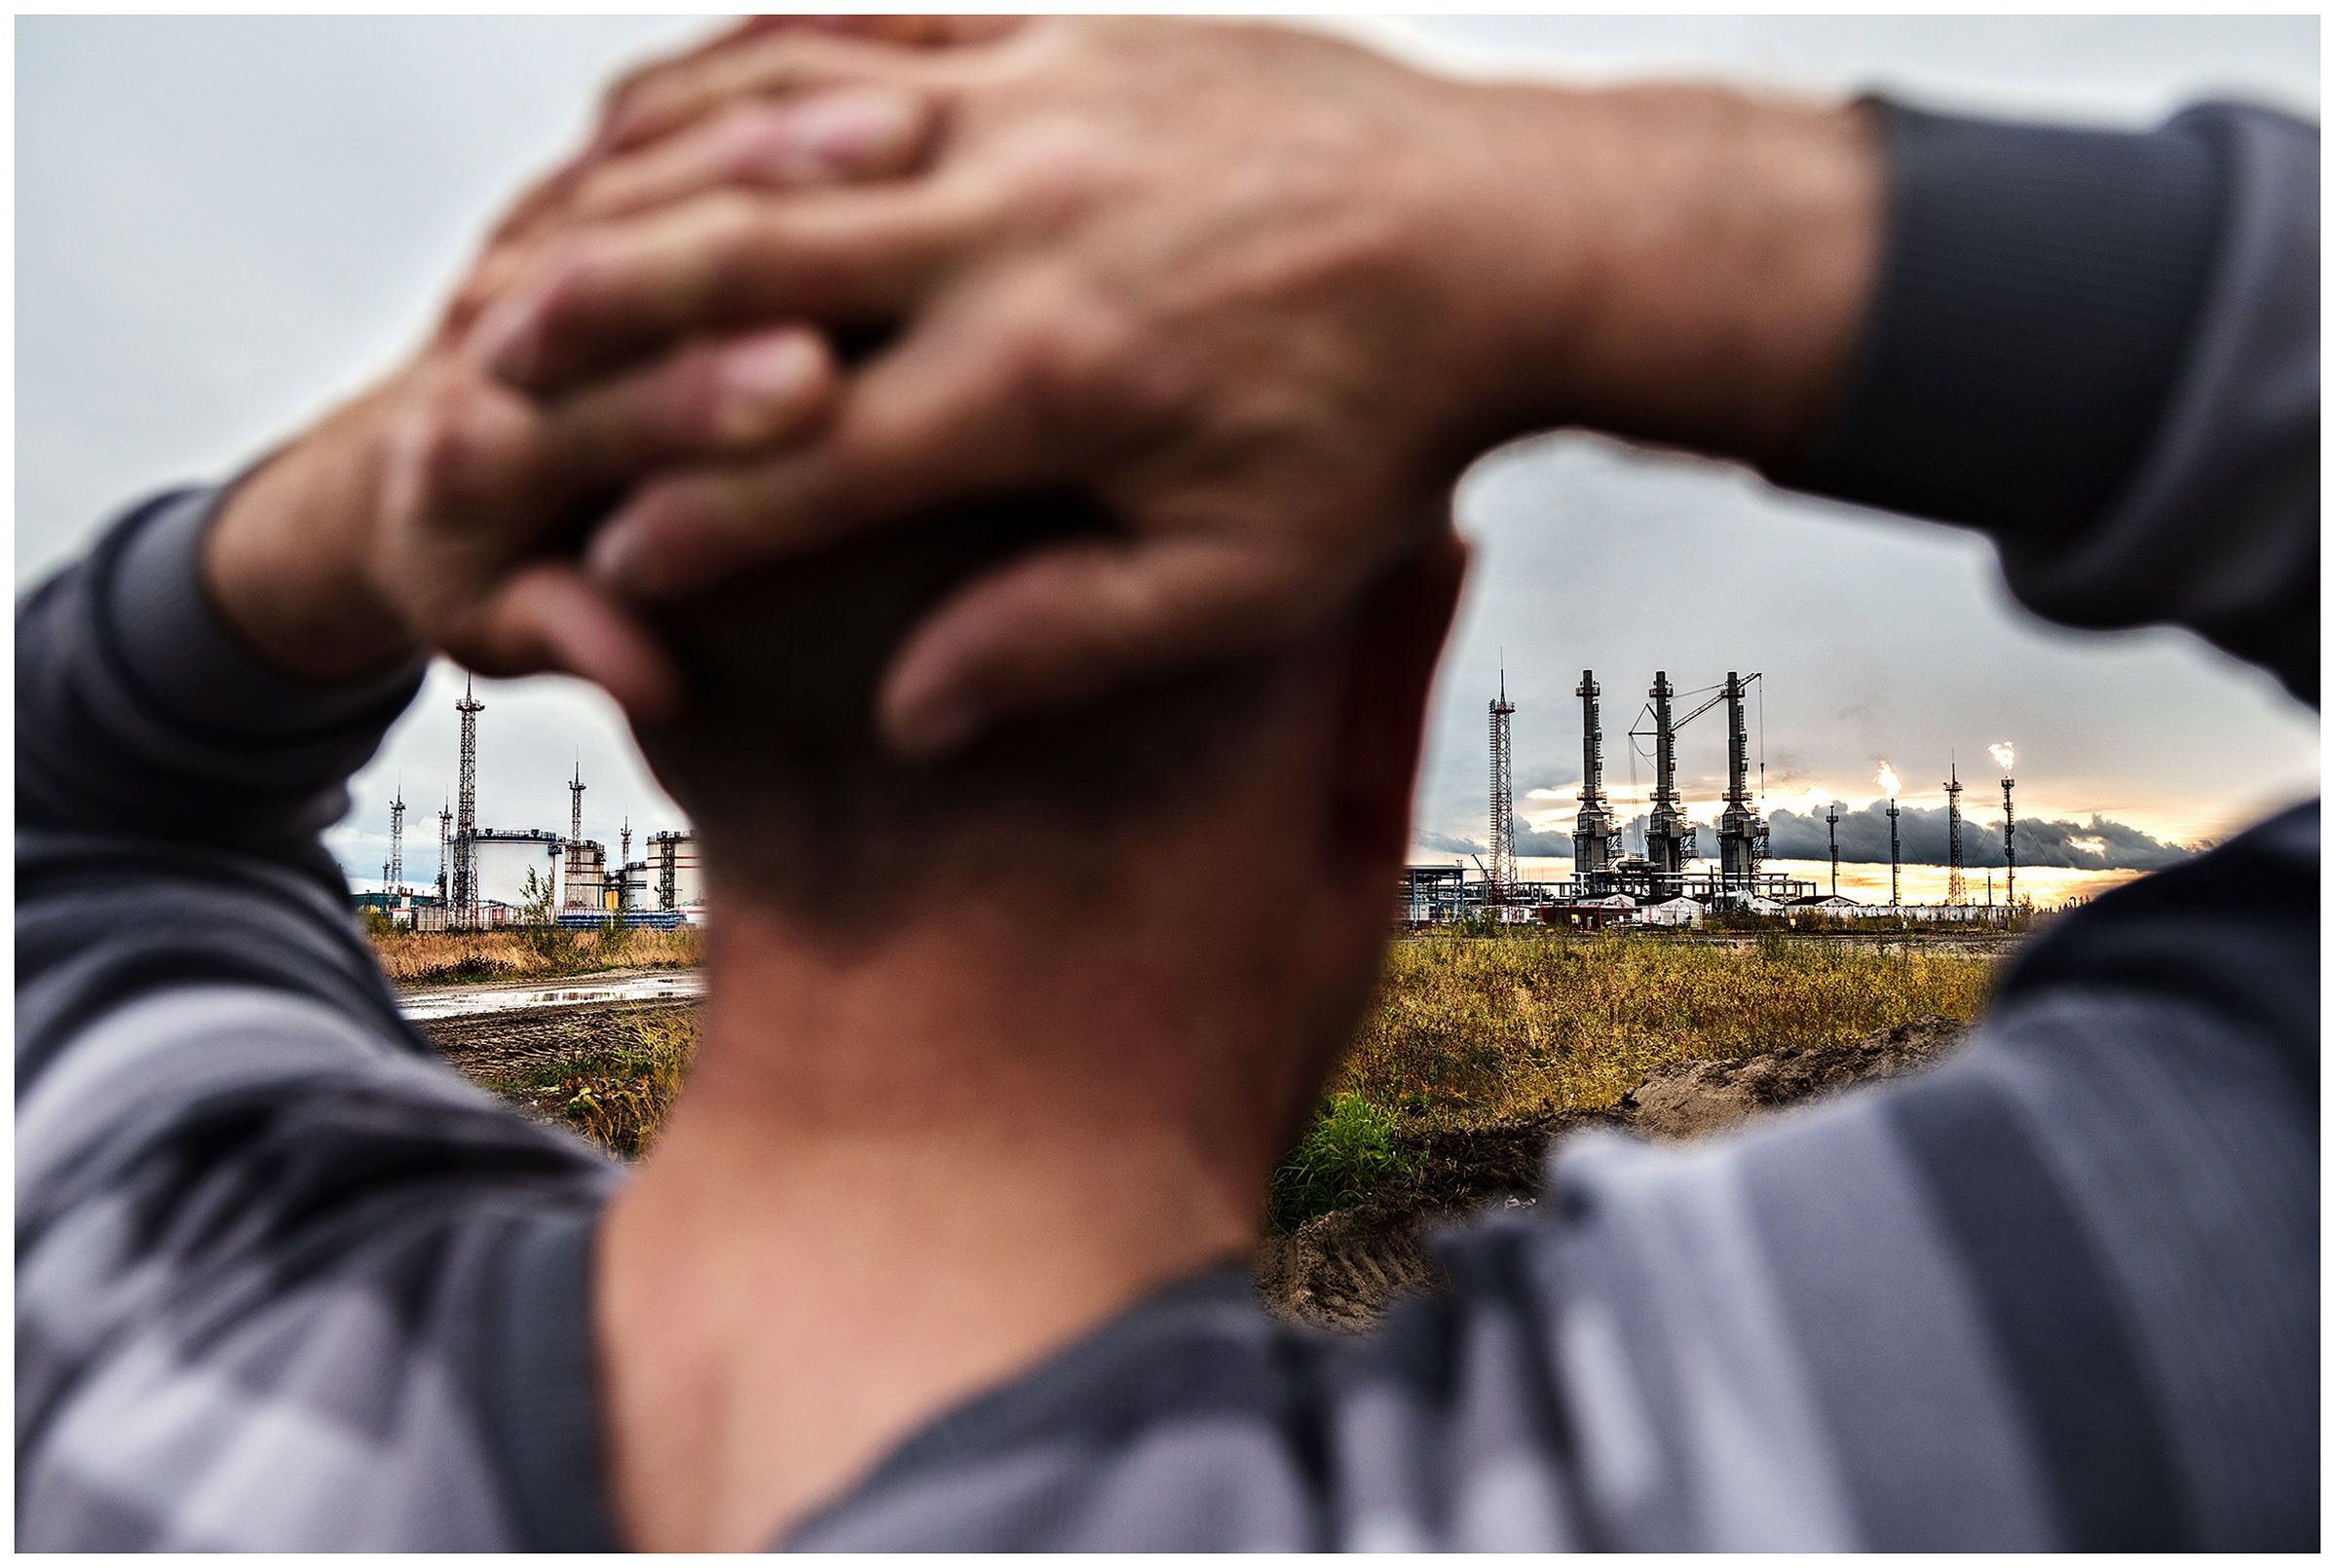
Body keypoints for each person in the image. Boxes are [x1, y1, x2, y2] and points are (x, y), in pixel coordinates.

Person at [17, 16, 2315, 1551]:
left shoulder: (157, 1343)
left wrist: (340, 511)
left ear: (623, 666)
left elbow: (81, 808)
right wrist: (1614, 224)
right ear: (1381, 697)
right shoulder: (1838, 1445)